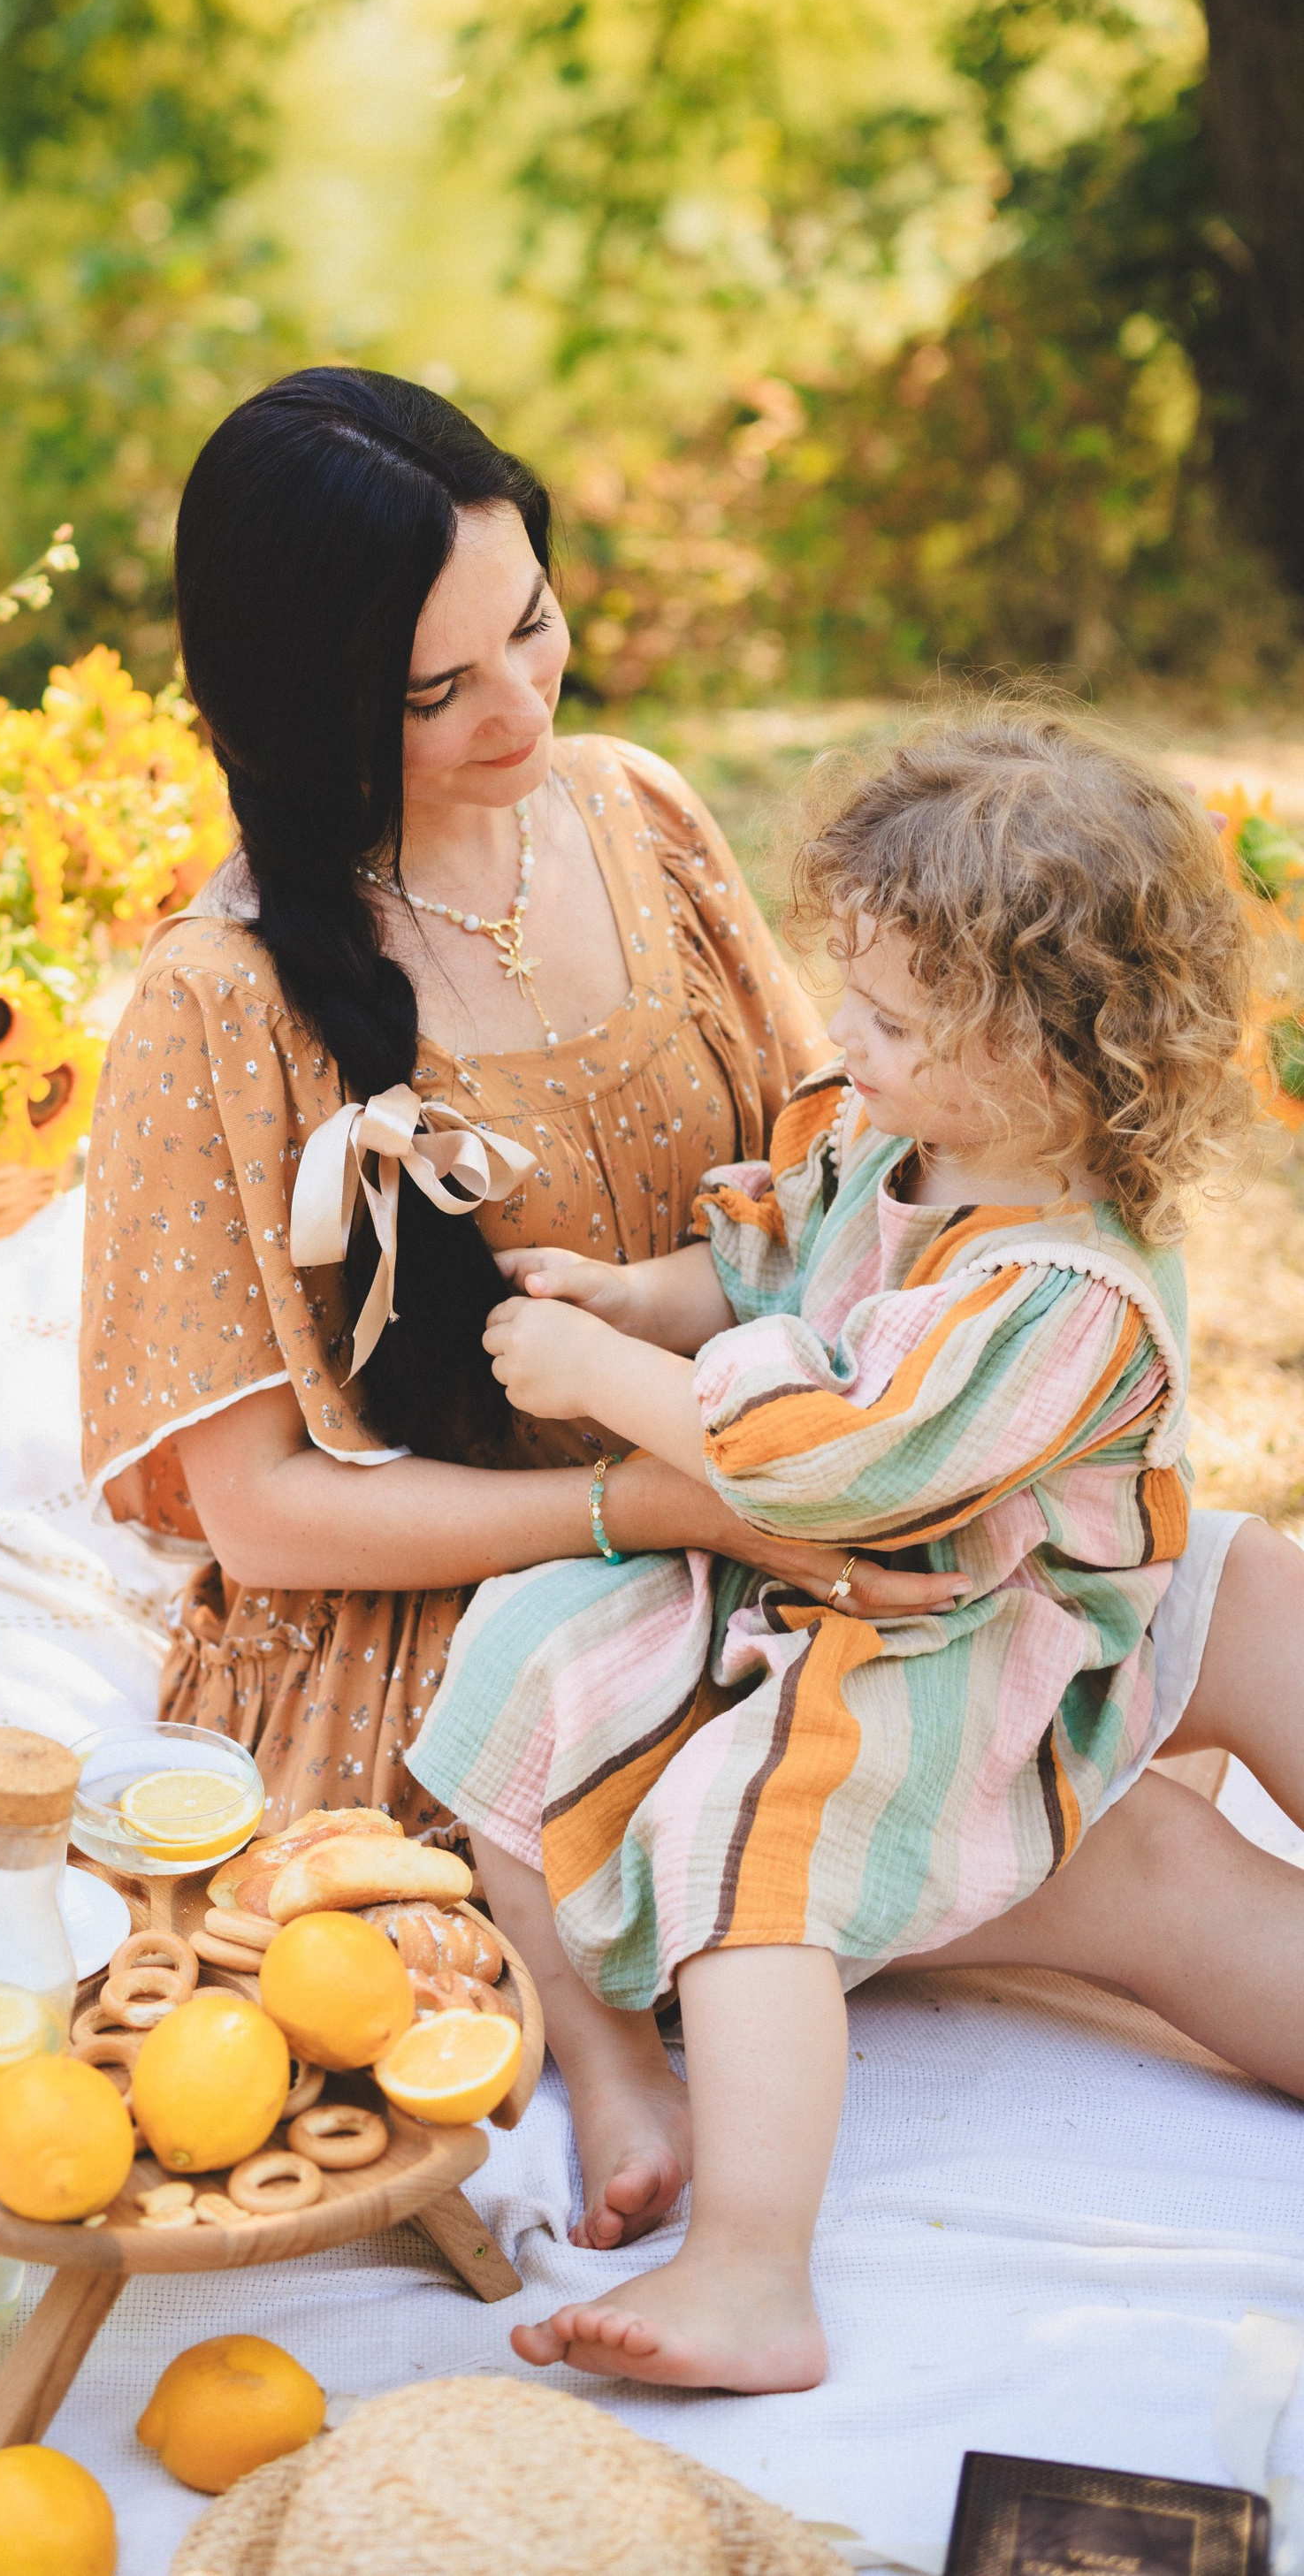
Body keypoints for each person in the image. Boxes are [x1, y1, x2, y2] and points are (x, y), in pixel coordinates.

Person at [78, 363, 1304, 2261]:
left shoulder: (632, 816)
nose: (522, 706)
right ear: (298, 699)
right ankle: (676, 2048)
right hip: (531, 1603)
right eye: (435, 690)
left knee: (1259, 1590)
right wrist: (673, 1500)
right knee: (1132, 1839)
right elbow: (260, 1513)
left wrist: (945, 1436)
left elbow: (845, 1162)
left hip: (797, 1459)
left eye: (534, 624)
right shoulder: (218, 1001)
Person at [408, 710, 1258, 2389]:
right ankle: (611, 2059)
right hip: (807, 1575)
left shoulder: (1063, 1300)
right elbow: (771, 1273)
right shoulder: (897, 1135)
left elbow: (839, 1464)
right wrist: (633, 1299)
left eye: (885, 1015)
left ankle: (752, 2271)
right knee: (515, 1654)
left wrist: (607, 1382)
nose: (840, 1035)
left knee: (754, 1826)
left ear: (1044, 1058)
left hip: (969, 1619)